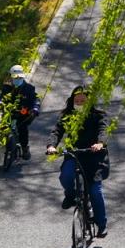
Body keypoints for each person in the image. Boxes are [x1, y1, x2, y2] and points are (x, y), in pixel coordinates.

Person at [46, 85, 109, 237]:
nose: (80, 103)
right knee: (65, 176)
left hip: (94, 156)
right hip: (74, 153)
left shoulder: (98, 115)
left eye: (83, 101)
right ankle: (71, 195)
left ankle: (101, 224)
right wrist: (51, 146)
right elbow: (57, 130)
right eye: (77, 101)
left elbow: (103, 129)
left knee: (95, 191)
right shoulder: (67, 114)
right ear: (72, 101)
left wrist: (100, 143)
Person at [0, 64, 40, 159]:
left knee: (23, 130)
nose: (17, 79)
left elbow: (36, 100)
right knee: (4, 129)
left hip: (23, 115)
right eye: (15, 78)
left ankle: (25, 148)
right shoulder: (6, 88)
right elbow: (0, 98)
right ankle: (8, 146)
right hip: (9, 114)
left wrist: (35, 109)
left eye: (19, 78)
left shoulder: (29, 89)